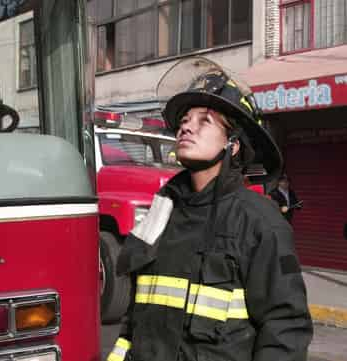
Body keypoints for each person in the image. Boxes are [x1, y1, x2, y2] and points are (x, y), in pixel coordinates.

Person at [107, 58, 312, 361]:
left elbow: (286, 328)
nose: (187, 126)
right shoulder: (162, 210)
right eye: (185, 120)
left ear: (233, 144)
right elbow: (135, 316)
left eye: (204, 120)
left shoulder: (259, 221)